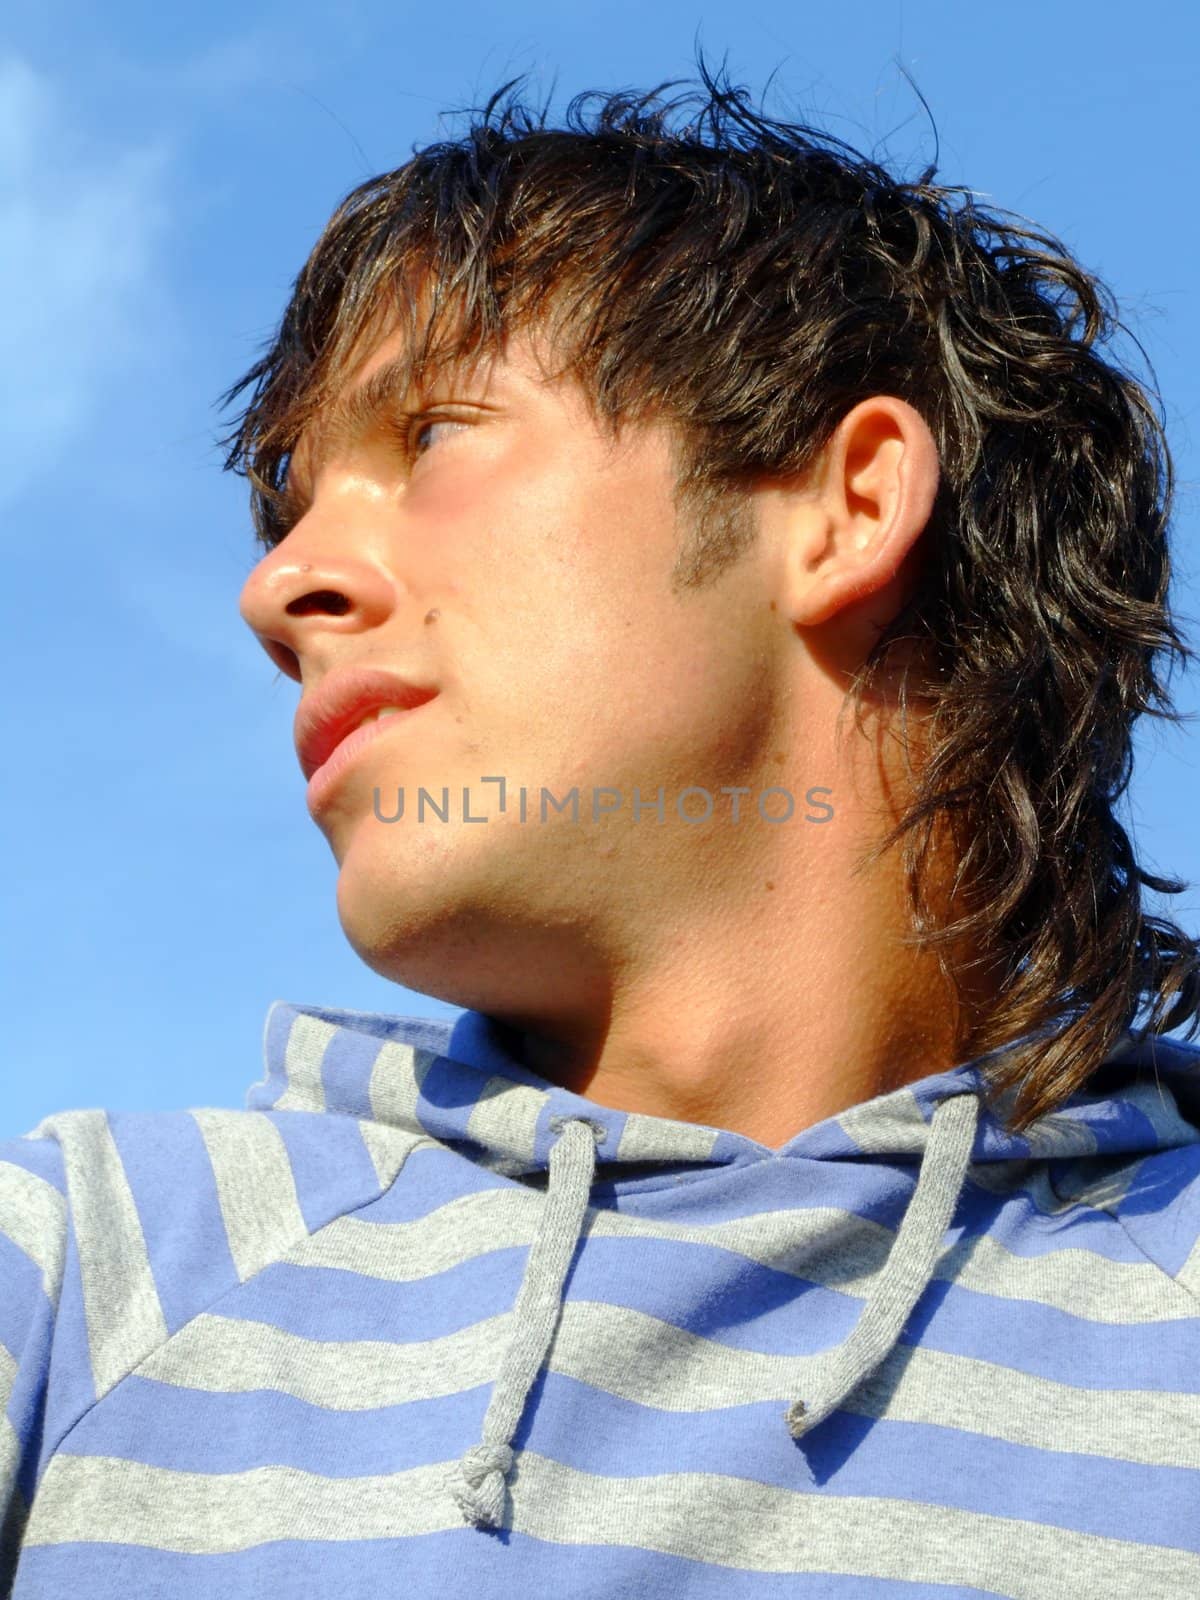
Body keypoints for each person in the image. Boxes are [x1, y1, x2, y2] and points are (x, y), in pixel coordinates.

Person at [4, 66, 1200, 1597]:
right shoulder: (83, 1280)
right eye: (293, 509)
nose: (280, 592)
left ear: (846, 506)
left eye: (431, 436)